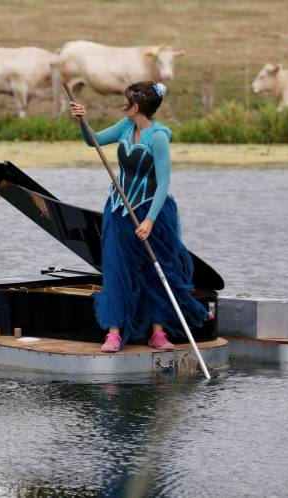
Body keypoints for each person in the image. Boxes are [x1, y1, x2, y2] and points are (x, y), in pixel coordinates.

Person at [69, 81, 207, 353]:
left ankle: (158, 333)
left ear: (136, 106)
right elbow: (92, 140)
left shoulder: (158, 138)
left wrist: (149, 221)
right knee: (116, 268)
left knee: (155, 271)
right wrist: (82, 121)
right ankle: (113, 334)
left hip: (151, 212)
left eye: (127, 101)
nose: (124, 105)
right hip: (118, 211)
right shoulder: (124, 127)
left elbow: (163, 183)